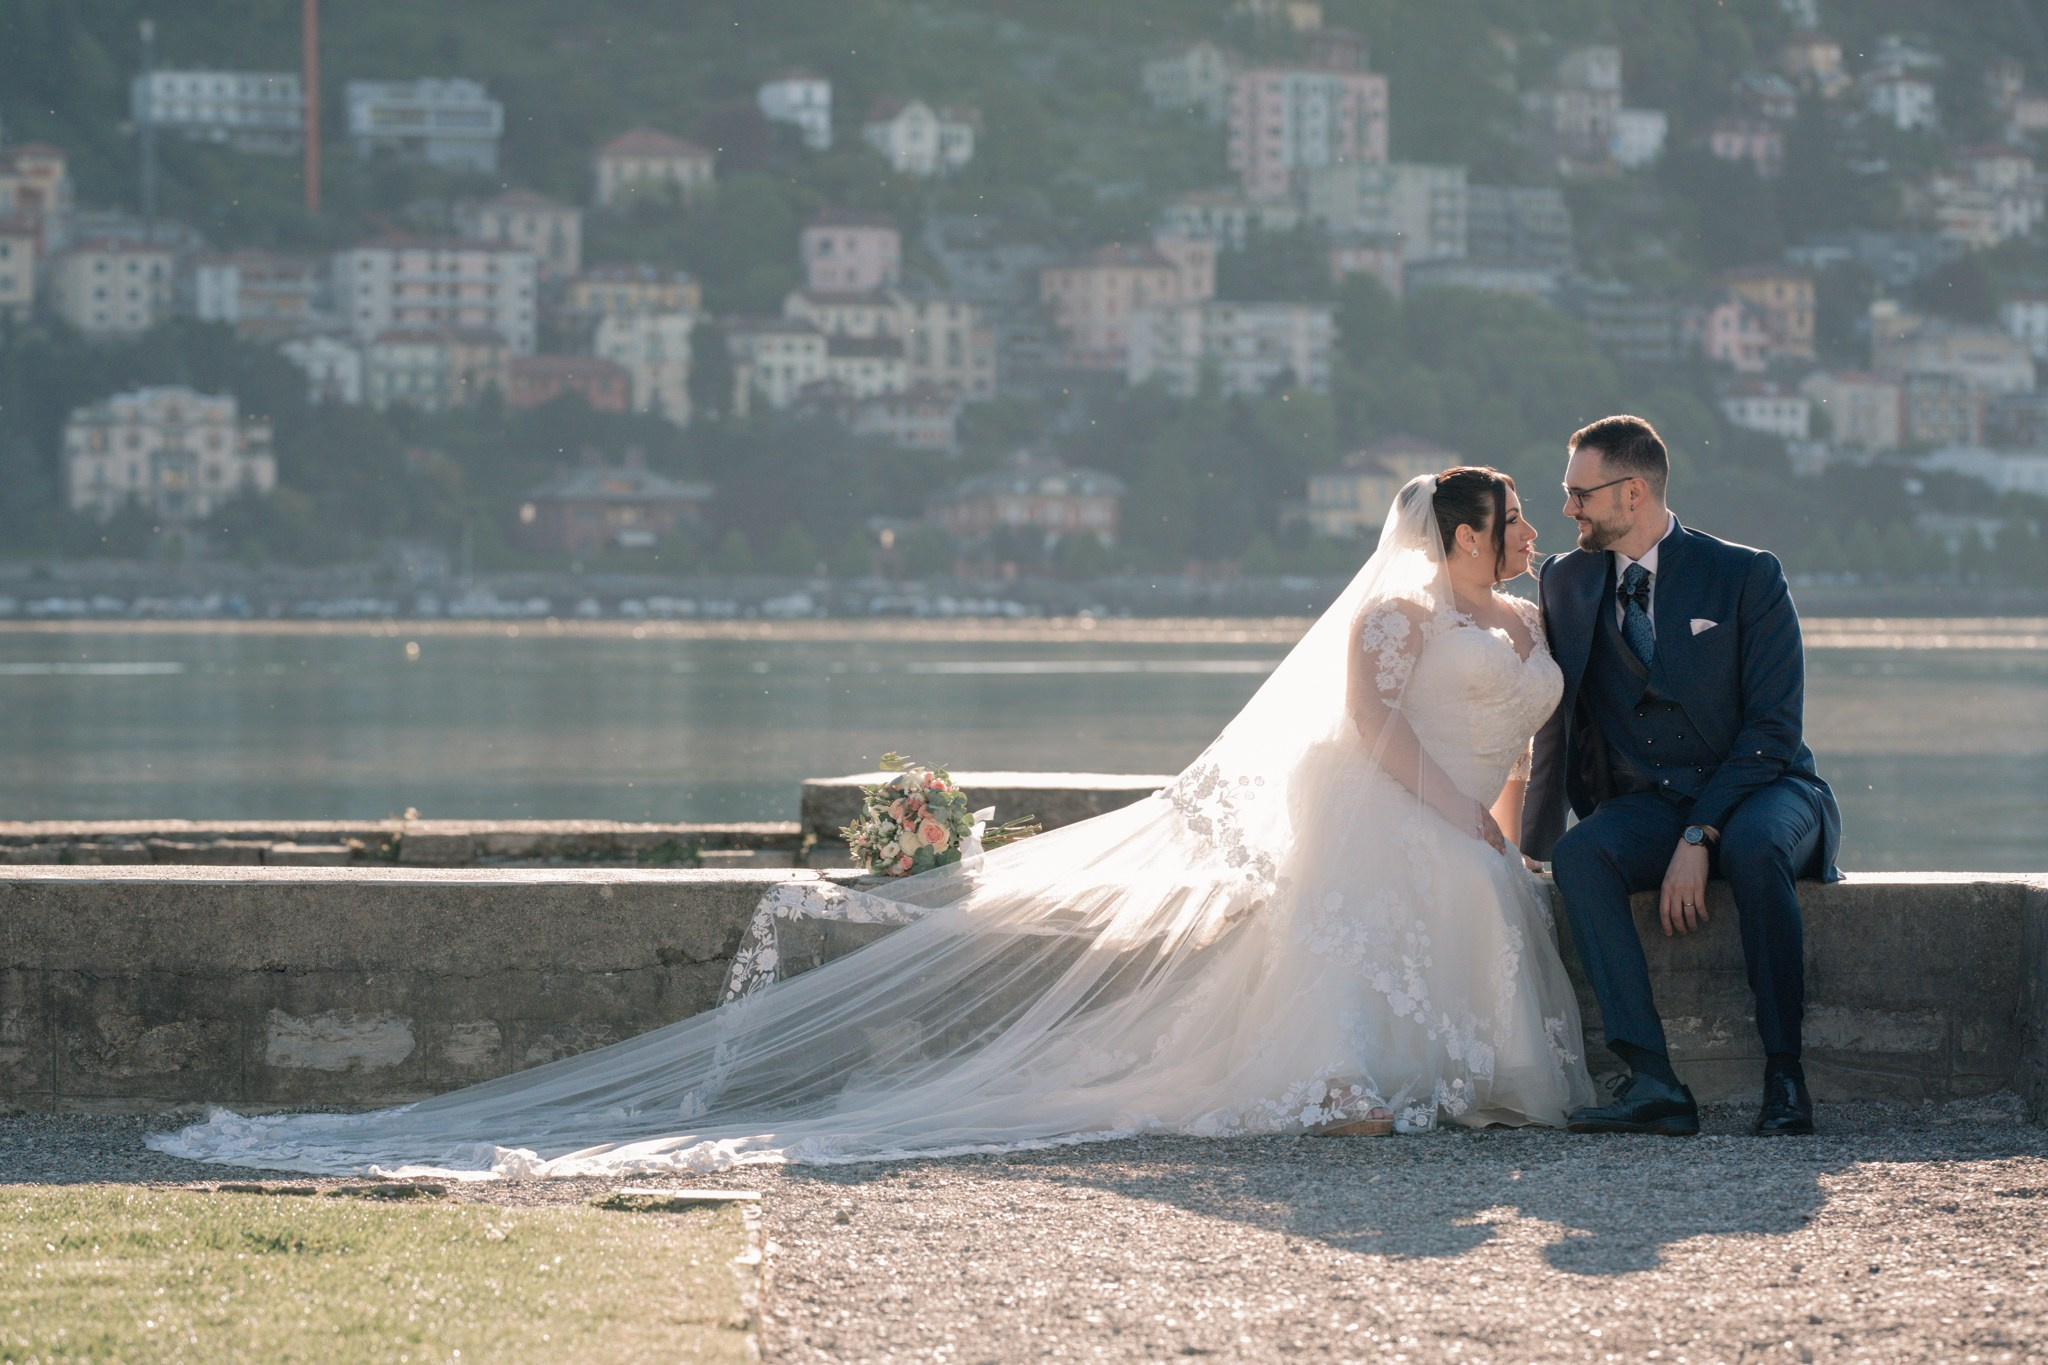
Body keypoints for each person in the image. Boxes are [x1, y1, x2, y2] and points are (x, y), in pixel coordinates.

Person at [153, 469, 1594, 1180]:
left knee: (1458, 943)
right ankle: (1358, 1092)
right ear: (1463, 530)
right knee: (1353, 967)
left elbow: (1517, 715)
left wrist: (1505, 825)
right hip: (1403, 813)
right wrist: (1466, 816)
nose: (1533, 527)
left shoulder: (1528, 615)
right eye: (1519, 514)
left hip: (1474, 826)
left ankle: (1449, 1085)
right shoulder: (1396, 617)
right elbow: (1381, 730)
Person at [1523, 415, 1841, 1139]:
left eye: (1580, 493)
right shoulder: (1566, 582)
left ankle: (1785, 1075)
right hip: (1652, 799)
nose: (1568, 509)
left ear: (1633, 492)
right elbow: (1557, 719)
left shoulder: (1745, 573)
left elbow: (1773, 729)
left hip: (1769, 788)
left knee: (1754, 850)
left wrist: (1702, 833)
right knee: (1583, 854)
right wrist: (1531, 842)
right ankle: (1654, 1081)